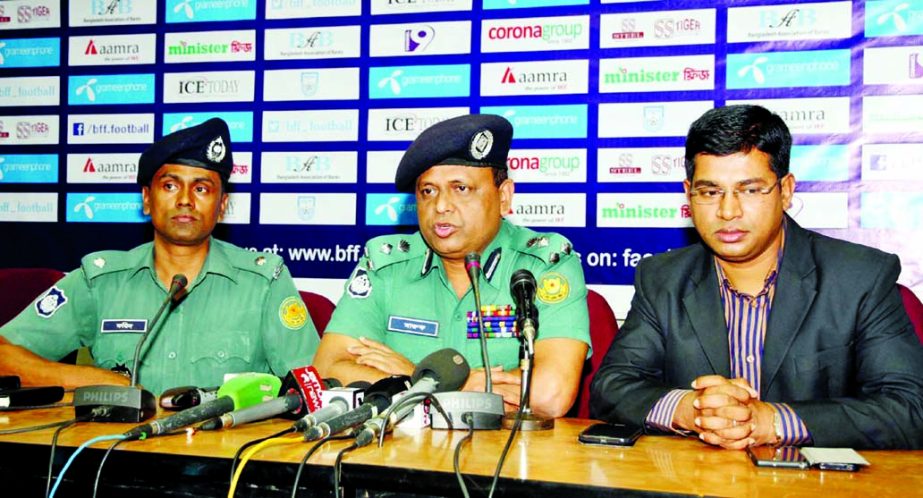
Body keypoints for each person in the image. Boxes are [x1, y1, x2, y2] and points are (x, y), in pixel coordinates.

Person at [590, 104, 923, 450]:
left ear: (787, 190)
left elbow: (909, 409)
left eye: (750, 190)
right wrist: (692, 410)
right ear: (688, 193)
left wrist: (772, 421)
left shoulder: (859, 277)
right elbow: (610, 388)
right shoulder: (662, 279)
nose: (728, 211)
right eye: (709, 192)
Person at [0, 118, 321, 395]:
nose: (184, 200)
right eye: (169, 185)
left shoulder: (263, 282)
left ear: (221, 206)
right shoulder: (101, 281)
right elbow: (4, 355)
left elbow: (312, 385)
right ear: (146, 199)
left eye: (201, 189)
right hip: (113, 458)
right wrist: (92, 380)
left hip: (225, 460)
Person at [313, 114, 590, 417]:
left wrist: (420, 378)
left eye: (461, 188)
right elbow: (329, 368)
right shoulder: (385, 266)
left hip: (505, 457)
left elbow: (551, 395)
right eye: (428, 191)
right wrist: (449, 384)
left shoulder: (543, 266)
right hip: (398, 453)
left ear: (504, 197)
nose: (441, 206)